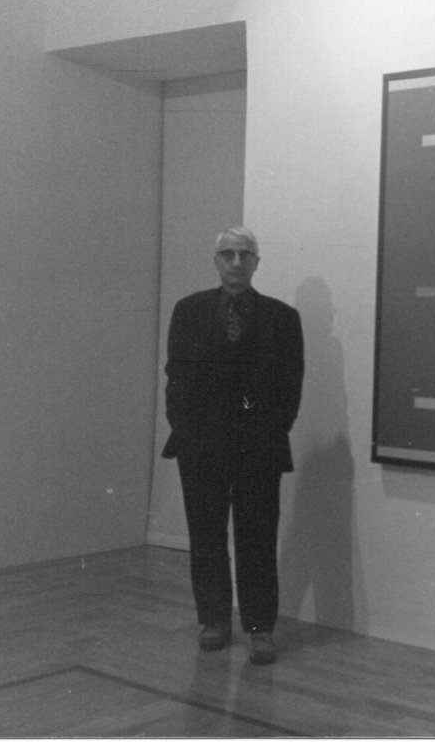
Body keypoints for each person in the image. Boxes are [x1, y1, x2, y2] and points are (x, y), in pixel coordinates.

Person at [161, 225, 304, 665]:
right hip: (201, 446)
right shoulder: (189, 311)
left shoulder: (282, 318)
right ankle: (214, 620)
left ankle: (260, 628)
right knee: (206, 535)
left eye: (245, 254)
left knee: (257, 537)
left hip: (257, 449)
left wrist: (269, 434)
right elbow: (175, 378)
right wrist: (186, 431)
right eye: (228, 254)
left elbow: (290, 389)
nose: (236, 262)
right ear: (216, 261)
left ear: (257, 263)